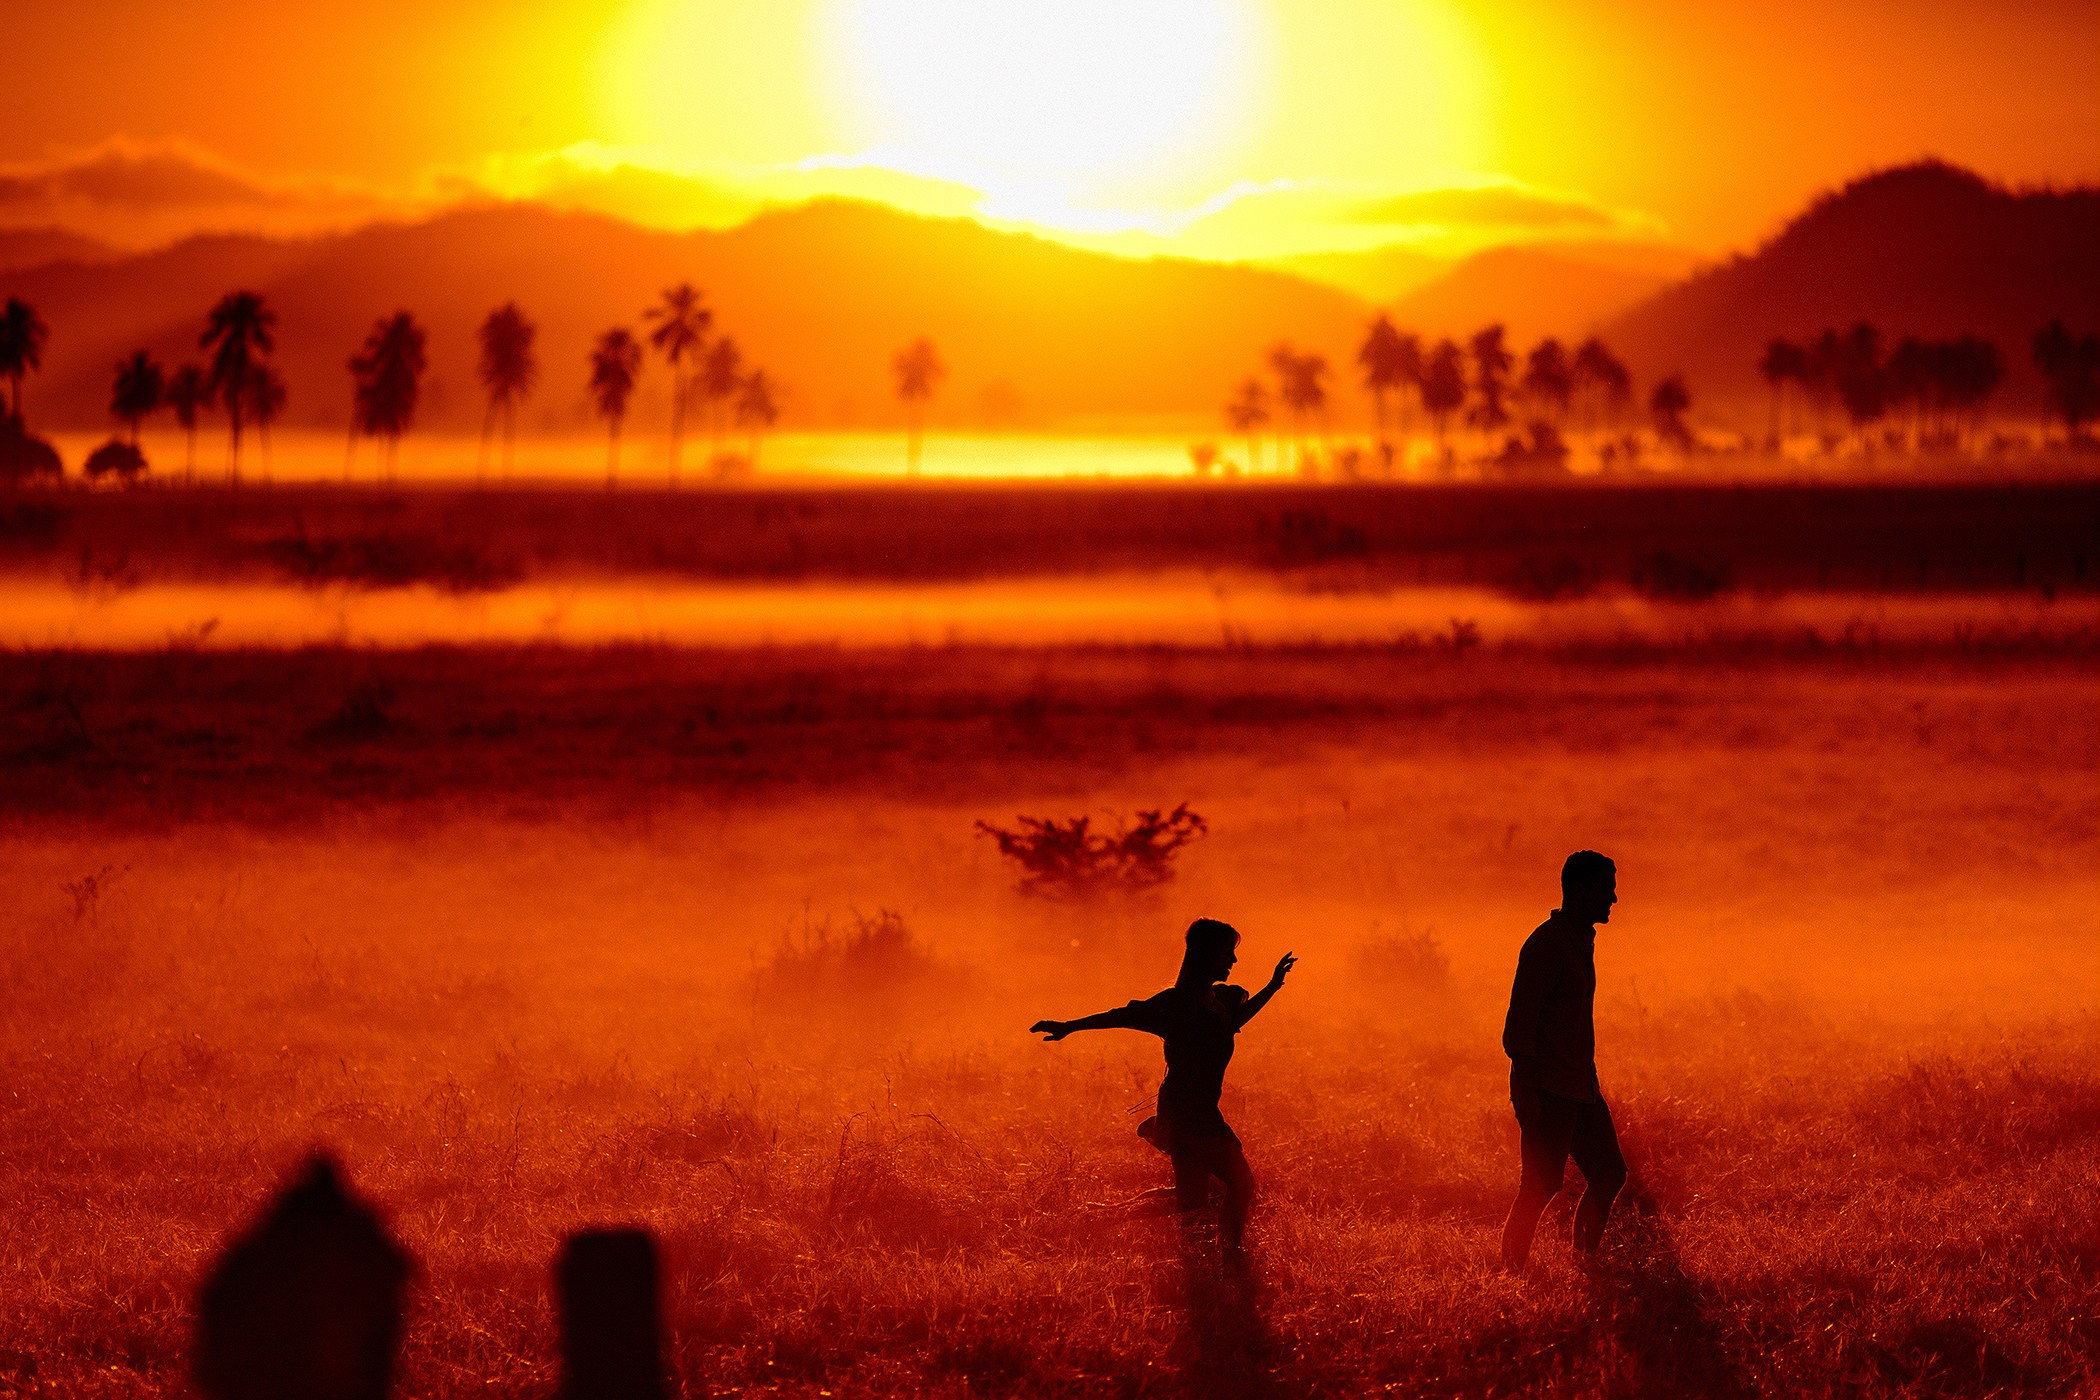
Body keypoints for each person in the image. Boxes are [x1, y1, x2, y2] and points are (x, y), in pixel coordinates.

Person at [1031, 919, 1295, 1255]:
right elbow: (1121, 1015)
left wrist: (1272, 986)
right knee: (1240, 1184)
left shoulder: (1217, 1001)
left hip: (1198, 1109)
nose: (1234, 960)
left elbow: (1231, 1024)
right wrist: (1069, 1026)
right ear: (1207, 954)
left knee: (1191, 1199)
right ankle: (1233, 1258)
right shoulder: (1177, 1005)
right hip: (1186, 1113)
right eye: (1227, 952)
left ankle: (1099, 1217)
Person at [1500, 850, 1629, 1272]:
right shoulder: (1547, 946)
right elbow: (1518, 1030)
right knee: (1538, 1187)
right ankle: (1510, 1276)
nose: (1613, 899)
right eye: (1605, 889)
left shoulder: (1578, 941)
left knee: (1609, 1174)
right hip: (1550, 1090)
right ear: (1578, 890)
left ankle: (1583, 1266)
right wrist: (1527, 1095)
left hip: (1581, 1088)